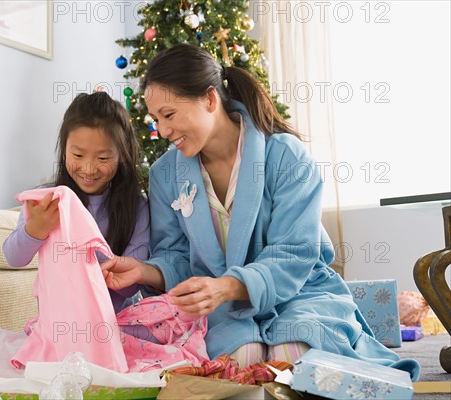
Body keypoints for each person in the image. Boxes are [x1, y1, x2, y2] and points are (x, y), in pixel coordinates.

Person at [101, 44, 419, 379]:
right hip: (222, 309)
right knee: (242, 362)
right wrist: (145, 271)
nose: (163, 131)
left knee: (293, 355)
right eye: (155, 119)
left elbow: (294, 253)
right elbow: (176, 255)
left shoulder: (286, 157)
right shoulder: (165, 174)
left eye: (169, 115)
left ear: (210, 100)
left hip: (300, 292)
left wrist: (228, 285)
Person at [0, 91, 150, 379]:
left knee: (146, 350)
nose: (89, 168)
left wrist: (91, 265)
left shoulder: (136, 207)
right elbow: (13, 256)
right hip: (58, 329)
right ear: (63, 149)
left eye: (103, 158)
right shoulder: (47, 199)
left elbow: (130, 286)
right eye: (78, 155)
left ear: (122, 156)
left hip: (115, 327)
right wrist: (36, 228)